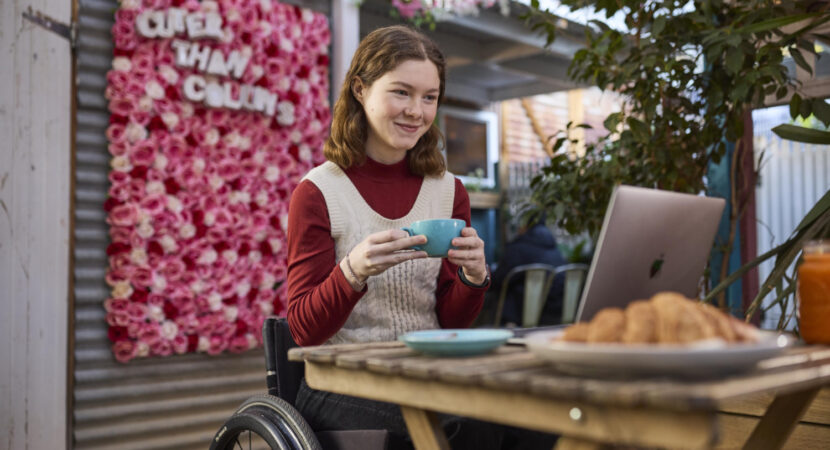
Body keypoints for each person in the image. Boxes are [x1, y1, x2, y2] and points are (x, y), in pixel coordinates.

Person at [285, 25, 495, 449]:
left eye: (429, 97)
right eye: (401, 92)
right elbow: (304, 330)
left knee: (512, 420)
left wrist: (473, 277)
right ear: (360, 90)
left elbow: (451, 322)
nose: (417, 111)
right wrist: (352, 271)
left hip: (426, 370)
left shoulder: (447, 190)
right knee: (449, 425)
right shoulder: (319, 192)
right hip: (338, 380)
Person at [492, 214, 567, 326]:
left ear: (524, 225)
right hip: (559, 310)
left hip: (530, 315)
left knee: (507, 289)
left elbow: (498, 279)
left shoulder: (518, 248)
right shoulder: (554, 248)